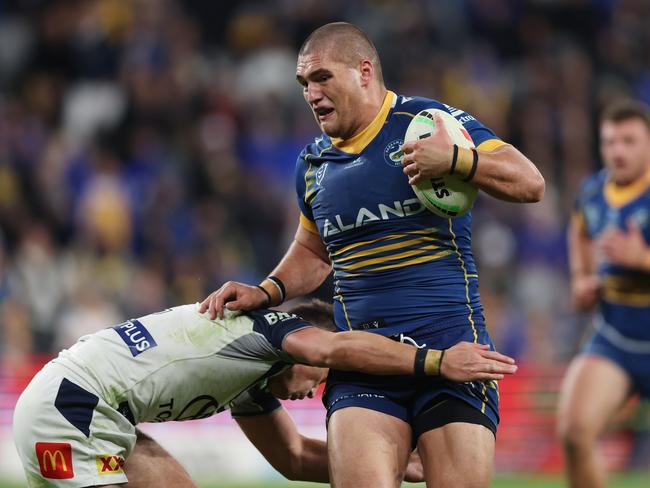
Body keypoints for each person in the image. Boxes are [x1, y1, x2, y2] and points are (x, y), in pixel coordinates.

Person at [199, 22, 544, 488]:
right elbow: (312, 251)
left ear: (364, 72)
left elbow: (530, 183)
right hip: (363, 364)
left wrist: (459, 162)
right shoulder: (312, 163)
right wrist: (265, 291)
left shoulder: (428, 122)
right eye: (303, 83)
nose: (311, 93)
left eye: (322, 77)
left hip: (452, 350)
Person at [13, 299, 516, 487]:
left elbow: (294, 456)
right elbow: (336, 347)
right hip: (71, 412)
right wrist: (435, 360)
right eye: (320, 380)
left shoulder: (248, 378)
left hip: (99, 415)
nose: (314, 395)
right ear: (310, 354)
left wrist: (392, 469)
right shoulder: (270, 331)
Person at [557, 100, 650, 488]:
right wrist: (581, 277)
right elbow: (578, 229)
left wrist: (641, 258)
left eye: (629, 141)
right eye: (609, 142)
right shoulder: (594, 190)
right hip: (615, 332)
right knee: (574, 433)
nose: (618, 151)